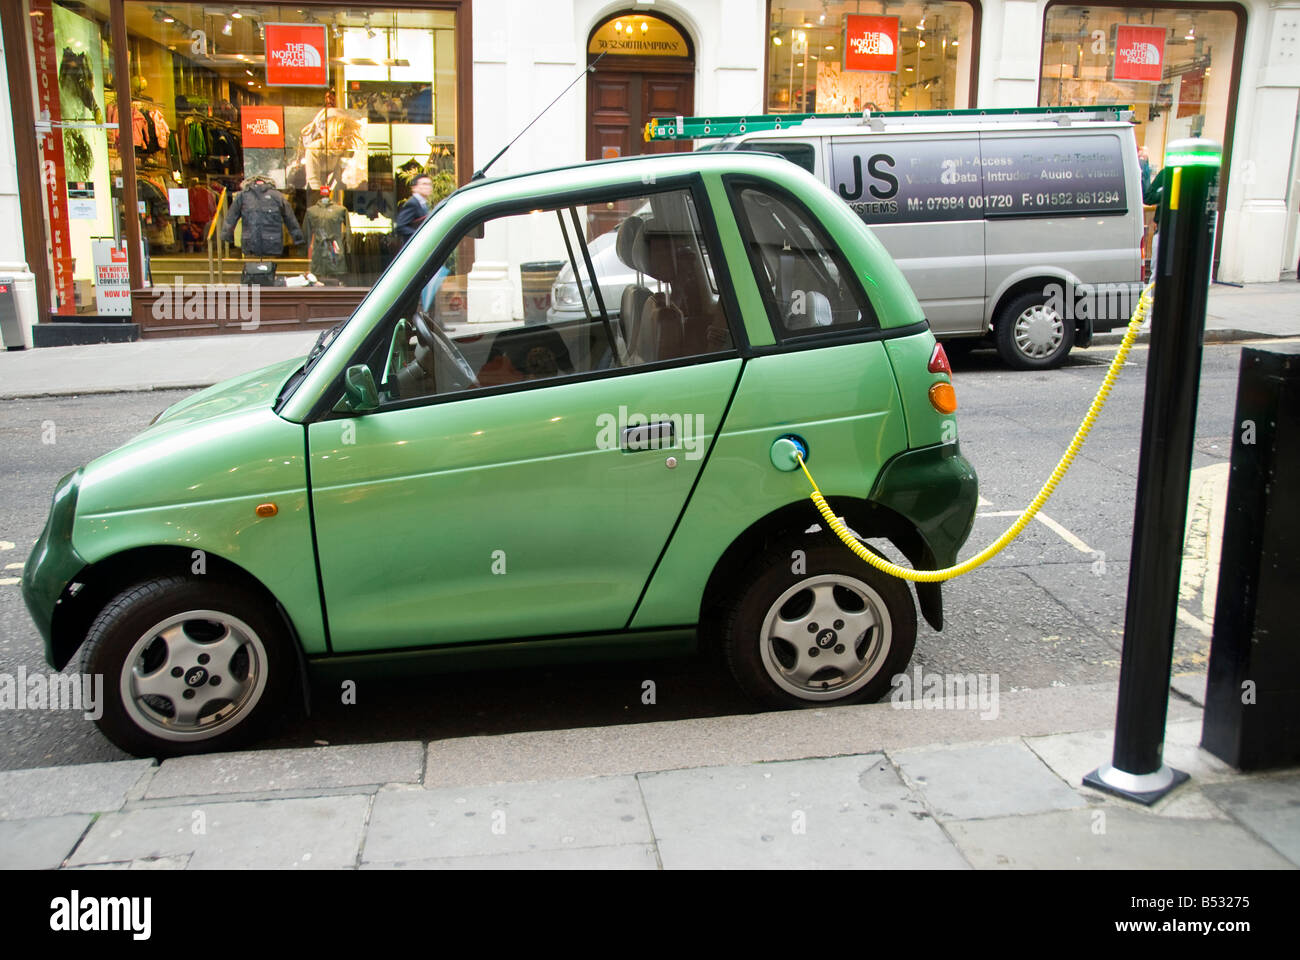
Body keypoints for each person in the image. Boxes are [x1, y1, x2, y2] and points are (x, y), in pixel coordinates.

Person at [393, 173, 435, 246]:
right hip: (413, 246)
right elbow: (400, 226)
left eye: (429, 184)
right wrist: (419, 235)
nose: (428, 187)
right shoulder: (412, 203)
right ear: (414, 187)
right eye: (424, 184)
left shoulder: (423, 203)